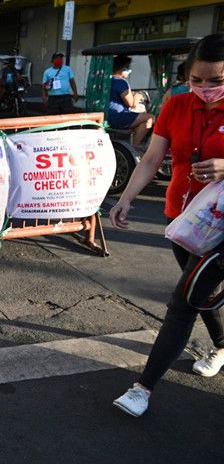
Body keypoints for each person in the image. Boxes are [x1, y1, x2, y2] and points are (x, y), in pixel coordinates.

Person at [111, 33, 224, 418]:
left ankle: (142, 388)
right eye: (197, 80)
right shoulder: (176, 105)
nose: (205, 88)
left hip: (220, 230)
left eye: (216, 80)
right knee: (199, 294)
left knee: (182, 303)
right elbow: (151, 158)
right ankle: (222, 345)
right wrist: (125, 198)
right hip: (181, 220)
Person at [108, 55, 154, 146]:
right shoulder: (121, 82)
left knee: (142, 121)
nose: (129, 70)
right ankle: (134, 146)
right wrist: (138, 96)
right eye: (127, 68)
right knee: (151, 118)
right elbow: (131, 104)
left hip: (107, 115)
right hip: (117, 117)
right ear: (121, 69)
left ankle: (133, 144)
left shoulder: (108, 80)